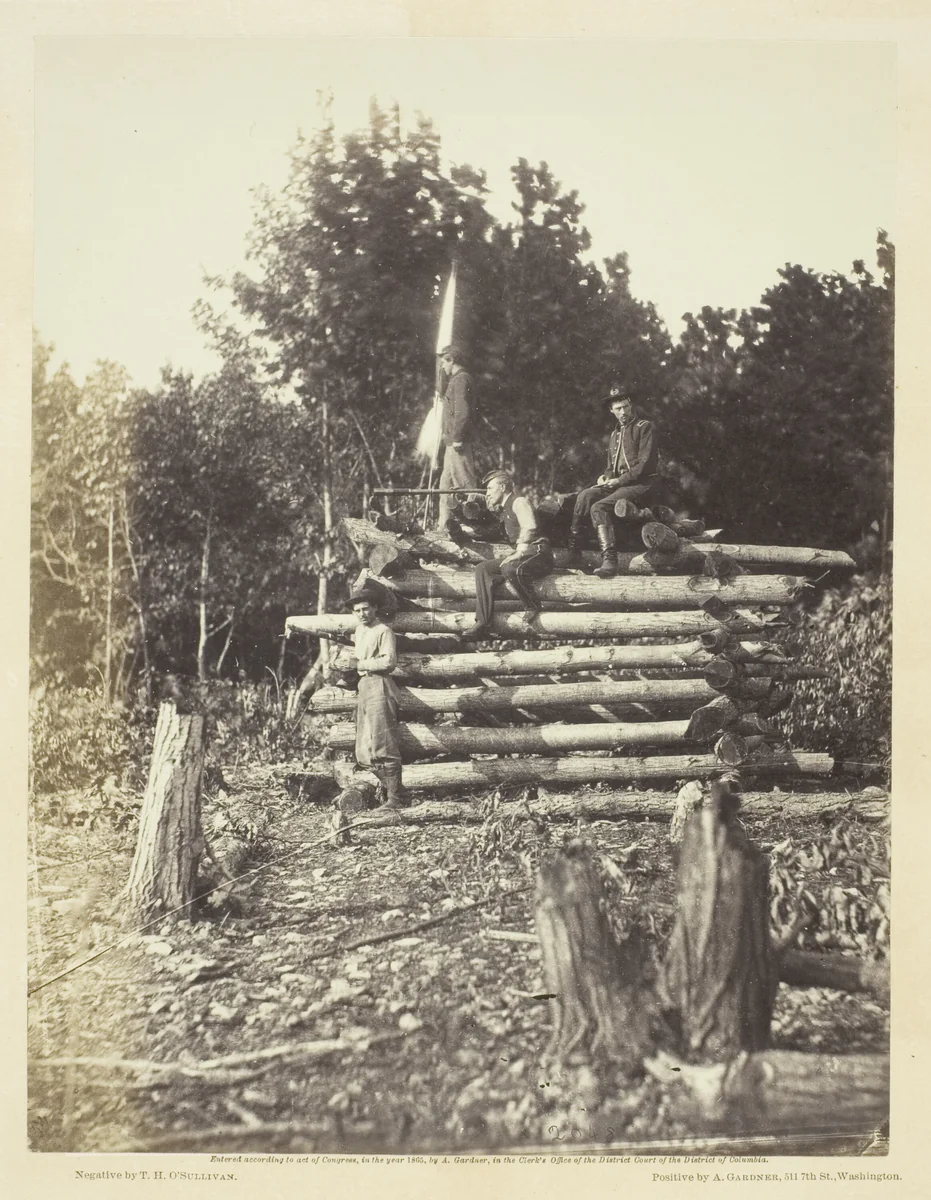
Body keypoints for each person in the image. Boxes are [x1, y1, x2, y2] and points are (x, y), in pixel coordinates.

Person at [566, 387, 659, 577]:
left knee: (598, 507)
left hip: (641, 485)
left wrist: (618, 481)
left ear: (631, 405)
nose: (623, 412)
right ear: (611, 410)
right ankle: (574, 551)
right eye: (618, 408)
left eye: (625, 407)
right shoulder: (615, 434)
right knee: (584, 496)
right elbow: (611, 467)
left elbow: (645, 465)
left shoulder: (643, 427)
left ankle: (610, 560)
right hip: (620, 485)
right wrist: (605, 478)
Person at [460, 470, 555, 641]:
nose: (487, 493)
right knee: (483, 569)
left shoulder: (519, 501)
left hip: (539, 552)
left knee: (510, 567)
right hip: (526, 554)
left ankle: (532, 606)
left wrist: (519, 551)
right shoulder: (504, 509)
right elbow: (486, 506)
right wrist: (465, 498)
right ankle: (483, 622)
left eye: (490, 488)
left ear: (503, 487)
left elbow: (530, 526)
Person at [349, 583, 407, 811]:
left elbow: (389, 661)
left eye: (365, 609)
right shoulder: (359, 631)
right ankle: (401, 793)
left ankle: (395, 799)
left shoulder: (384, 631)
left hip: (380, 685)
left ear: (374, 608)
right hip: (364, 686)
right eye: (357, 611)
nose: (362, 614)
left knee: (384, 746)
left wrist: (360, 664)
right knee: (363, 753)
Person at [437, 342, 479, 531]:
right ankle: (443, 525)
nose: (442, 367)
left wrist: (458, 437)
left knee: (464, 483)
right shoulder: (455, 380)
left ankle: (474, 523)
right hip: (451, 443)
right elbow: (441, 391)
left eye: (444, 363)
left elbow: (462, 411)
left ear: (451, 360)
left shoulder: (461, 379)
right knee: (445, 485)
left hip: (457, 442)